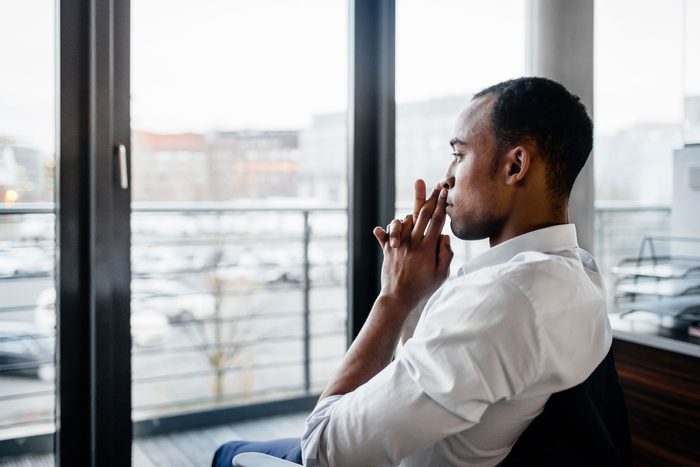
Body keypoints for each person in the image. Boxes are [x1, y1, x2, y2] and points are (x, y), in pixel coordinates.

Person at [212, 77, 615, 467]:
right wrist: (421, 294)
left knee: (226, 453)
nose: (447, 177)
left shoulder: (505, 298)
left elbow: (323, 448)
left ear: (515, 165)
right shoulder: (579, 273)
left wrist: (394, 298)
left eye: (459, 154)